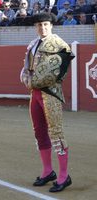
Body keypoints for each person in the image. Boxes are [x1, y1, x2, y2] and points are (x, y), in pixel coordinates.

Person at [20, 12, 74, 192]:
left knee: (56, 133)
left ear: (51, 25)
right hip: (35, 94)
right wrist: (26, 74)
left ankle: (64, 176)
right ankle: (47, 171)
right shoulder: (33, 44)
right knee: (39, 132)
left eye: (45, 24)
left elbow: (59, 71)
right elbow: (27, 66)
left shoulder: (60, 45)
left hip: (50, 92)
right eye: (39, 25)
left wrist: (32, 79)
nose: (42, 28)